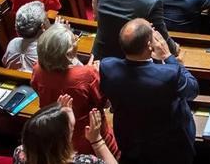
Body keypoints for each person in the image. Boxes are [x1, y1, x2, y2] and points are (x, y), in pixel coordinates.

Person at [99, 18, 197, 164]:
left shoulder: (107, 67)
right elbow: (192, 90)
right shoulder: (169, 74)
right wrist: (168, 57)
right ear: (149, 45)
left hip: (130, 142)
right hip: (168, 149)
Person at [32, 24, 118, 156]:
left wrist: (85, 70)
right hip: (89, 134)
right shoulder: (87, 75)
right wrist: (94, 73)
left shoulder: (37, 69)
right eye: (74, 41)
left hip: (55, 132)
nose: (76, 42)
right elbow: (104, 103)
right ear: (67, 53)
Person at [13, 101, 118, 164]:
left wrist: (57, 112)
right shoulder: (85, 161)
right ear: (61, 142)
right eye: (72, 129)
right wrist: (97, 140)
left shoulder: (20, 153)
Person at [2, 1, 46, 72]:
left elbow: (4, 63)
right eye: (46, 19)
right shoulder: (45, 50)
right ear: (42, 26)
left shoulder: (13, 43)